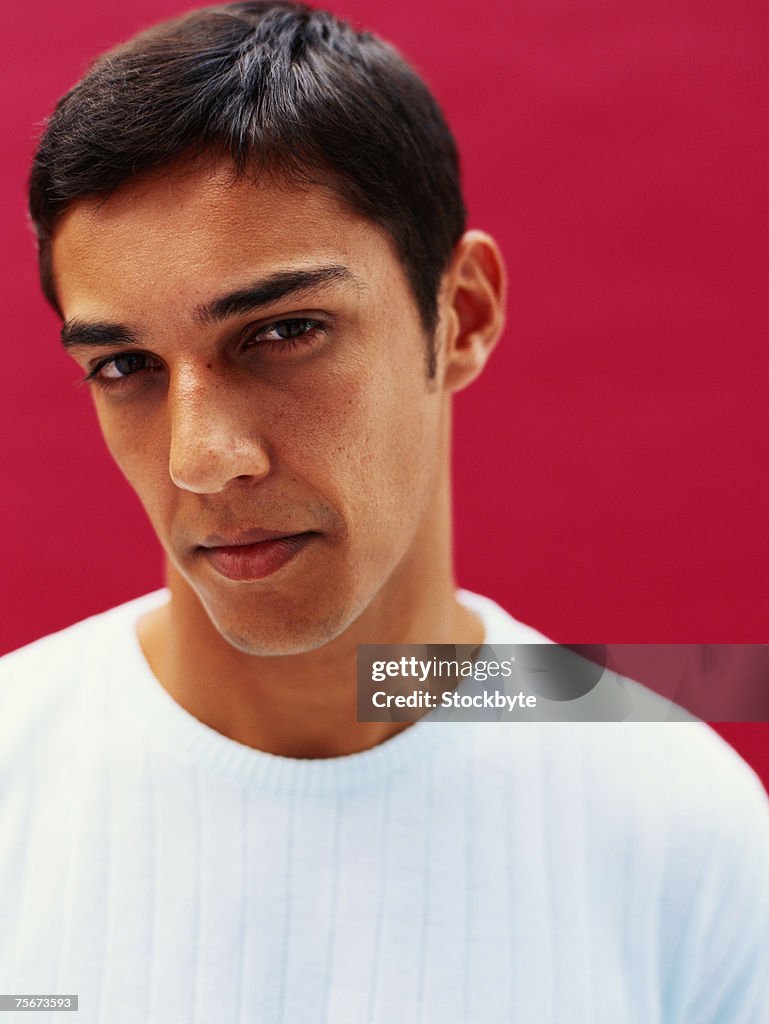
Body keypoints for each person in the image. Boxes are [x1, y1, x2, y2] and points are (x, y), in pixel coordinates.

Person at [0, 3, 767, 1020]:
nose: (202, 460)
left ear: (462, 316)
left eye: (282, 332)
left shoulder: (688, 823)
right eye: (125, 365)